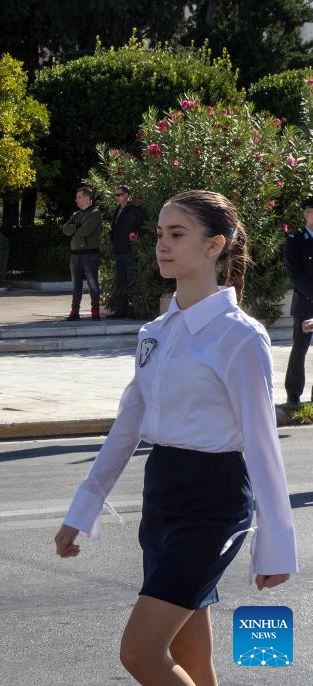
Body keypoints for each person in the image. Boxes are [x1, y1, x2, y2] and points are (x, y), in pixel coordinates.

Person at [54, 190, 297, 686]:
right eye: (160, 234)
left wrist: (275, 543)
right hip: (161, 493)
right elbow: (126, 428)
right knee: (193, 663)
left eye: (177, 234)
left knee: (140, 654)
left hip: (213, 502)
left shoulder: (240, 336)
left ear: (215, 246)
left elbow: (261, 444)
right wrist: (82, 509)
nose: (162, 245)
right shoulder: (155, 333)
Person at [282, 196, 313, 404]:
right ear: (306, 214)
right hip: (304, 303)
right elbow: (294, 274)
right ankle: (294, 394)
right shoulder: (295, 239)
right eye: (311, 212)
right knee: (299, 349)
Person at [62, 186, 103, 321]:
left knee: (92, 284)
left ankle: (95, 311)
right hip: (75, 255)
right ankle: (74, 311)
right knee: (76, 285)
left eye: (79, 197)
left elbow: (84, 231)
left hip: (90, 254)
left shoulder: (95, 214)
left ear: (87, 198)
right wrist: (76, 227)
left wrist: (75, 228)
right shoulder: (76, 214)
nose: (76, 200)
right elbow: (65, 229)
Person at [110, 184, 145, 318]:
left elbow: (144, 226)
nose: (116, 197)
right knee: (120, 282)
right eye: (115, 195)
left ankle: (135, 310)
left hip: (130, 251)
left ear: (126, 195)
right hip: (119, 251)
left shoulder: (134, 210)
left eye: (119, 195)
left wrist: (136, 235)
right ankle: (121, 311)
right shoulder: (118, 210)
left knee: (132, 281)